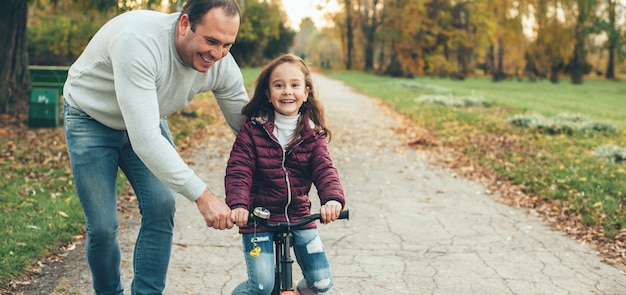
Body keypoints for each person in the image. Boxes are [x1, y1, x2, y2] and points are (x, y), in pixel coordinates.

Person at [61, 0, 248, 294]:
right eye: (211, 41)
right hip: (90, 118)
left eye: (227, 45)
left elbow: (247, 127)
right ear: (185, 24)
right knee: (102, 227)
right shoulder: (139, 43)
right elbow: (146, 140)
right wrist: (204, 196)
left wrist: (288, 155)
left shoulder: (221, 63)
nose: (217, 54)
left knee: (162, 206)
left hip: (145, 115)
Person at [225, 54, 346, 295]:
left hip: (299, 215)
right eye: (278, 85)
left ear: (306, 92)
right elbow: (239, 170)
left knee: (321, 283)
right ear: (268, 94)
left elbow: (324, 169)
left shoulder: (313, 134)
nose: (287, 92)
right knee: (261, 287)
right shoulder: (253, 130)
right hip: (259, 219)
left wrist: (332, 200)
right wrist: (238, 205)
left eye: (294, 85)